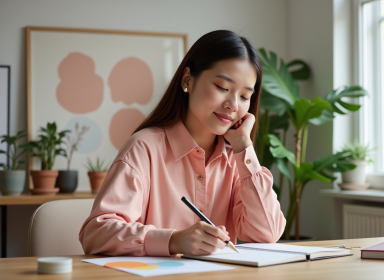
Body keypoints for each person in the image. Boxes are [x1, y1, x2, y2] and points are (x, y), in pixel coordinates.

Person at [79, 30, 286, 257]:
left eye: (245, 97)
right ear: (188, 79)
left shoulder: (236, 160)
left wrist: (244, 148)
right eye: (222, 88)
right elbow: (96, 233)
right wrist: (173, 241)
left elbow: (267, 233)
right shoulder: (143, 148)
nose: (233, 105)